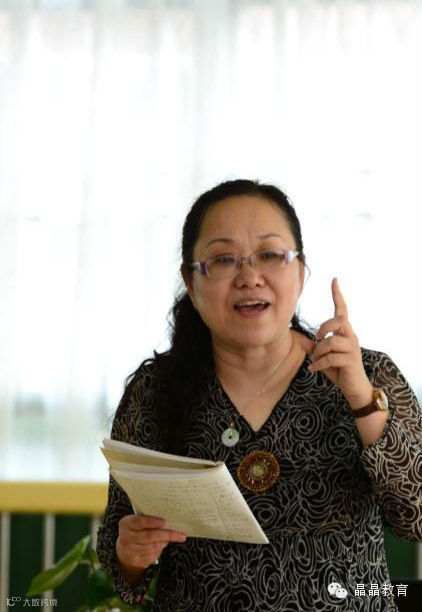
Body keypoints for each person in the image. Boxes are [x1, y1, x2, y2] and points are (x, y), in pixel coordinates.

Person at [96, 179, 422, 611]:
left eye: (270, 255)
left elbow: (416, 517)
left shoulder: (368, 374)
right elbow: (120, 553)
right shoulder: (155, 390)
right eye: (223, 260)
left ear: (301, 273)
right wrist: (131, 554)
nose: (249, 277)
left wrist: (362, 398)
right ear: (191, 283)